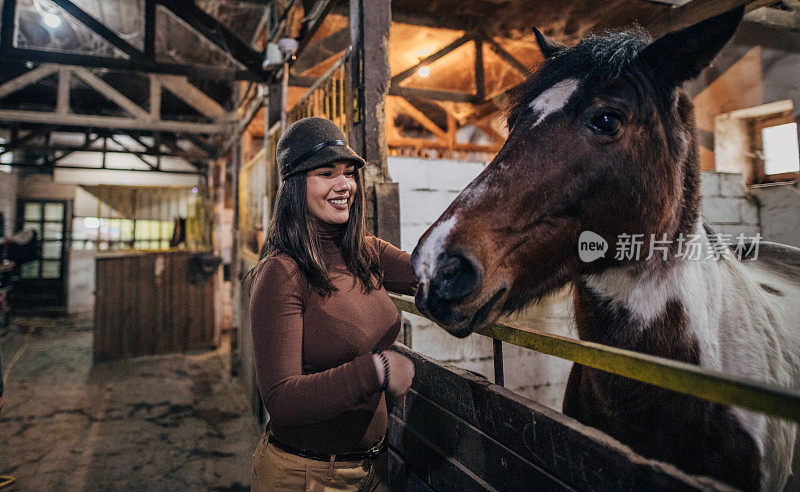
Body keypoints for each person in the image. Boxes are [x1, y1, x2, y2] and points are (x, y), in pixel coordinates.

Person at [249, 117, 417, 491]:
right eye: (326, 173)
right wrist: (378, 369)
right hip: (307, 476)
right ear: (294, 186)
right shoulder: (282, 273)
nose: (345, 185)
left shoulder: (365, 250)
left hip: (373, 468)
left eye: (348, 172)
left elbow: (427, 275)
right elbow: (281, 400)